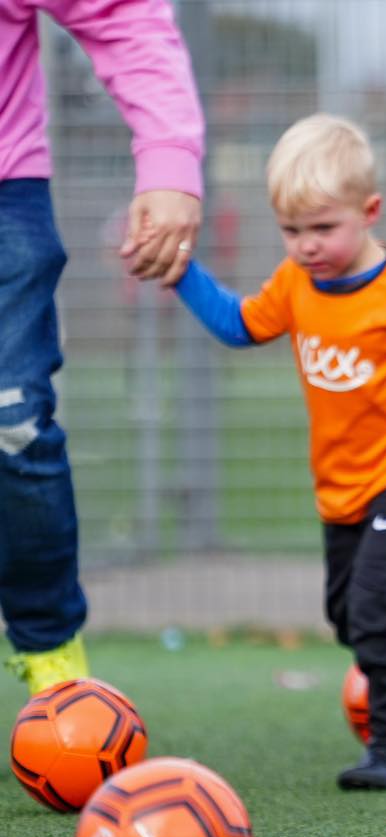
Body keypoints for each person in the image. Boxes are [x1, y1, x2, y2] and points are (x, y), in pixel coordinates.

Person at [161, 114, 386, 790]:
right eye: (292, 230)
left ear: (369, 212)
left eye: (322, 228)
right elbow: (242, 326)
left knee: (374, 608)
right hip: (340, 491)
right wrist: (182, 274)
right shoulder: (297, 283)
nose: (306, 246)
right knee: (351, 619)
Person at [2, 0, 204, 695]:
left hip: (5, 188)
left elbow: (122, 14)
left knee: (12, 423)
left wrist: (171, 161)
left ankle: (50, 653)